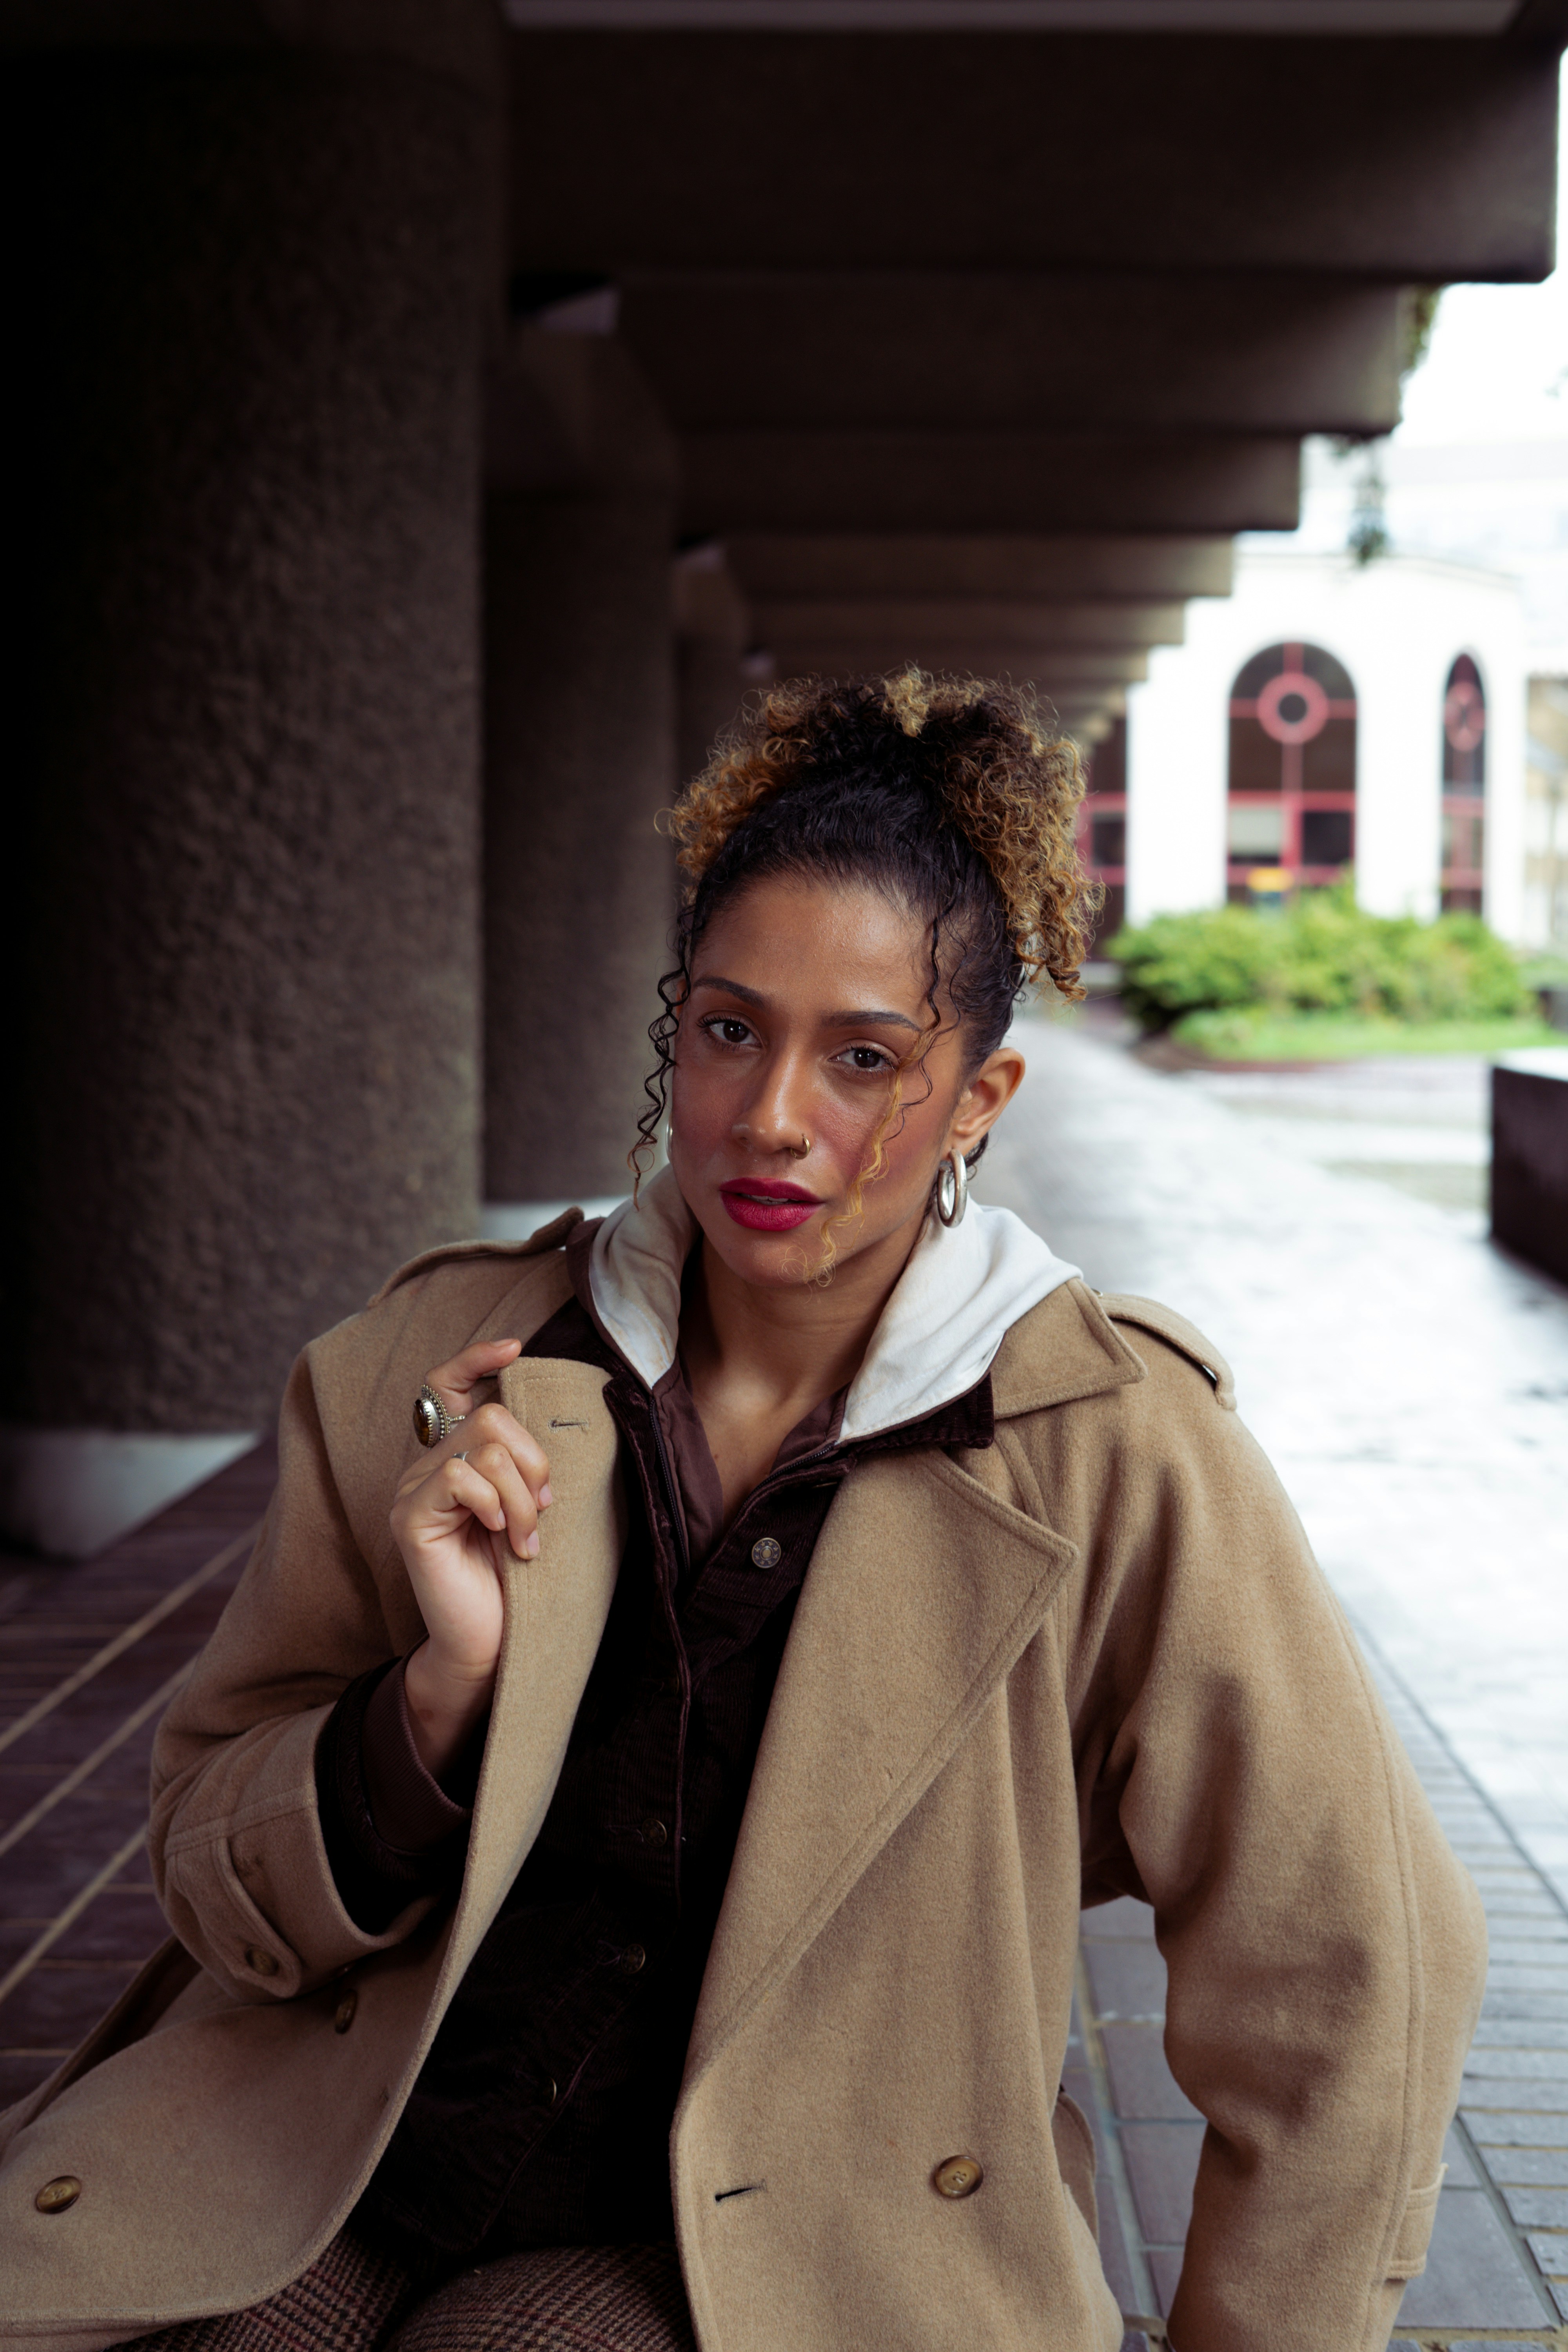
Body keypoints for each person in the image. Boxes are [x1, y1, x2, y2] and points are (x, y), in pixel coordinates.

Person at [0, 670, 1485, 2352]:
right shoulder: (436, 1363)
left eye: (864, 1058)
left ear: (978, 1099)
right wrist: (431, 1705)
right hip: (344, 2143)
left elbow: (1353, 1966)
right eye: (728, 1029)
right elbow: (210, 1869)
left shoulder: (1115, 1451)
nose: (772, 1117)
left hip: (798, 2246)